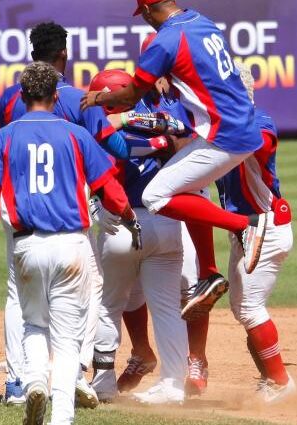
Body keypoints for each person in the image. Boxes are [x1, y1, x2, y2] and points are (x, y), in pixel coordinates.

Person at [0, 61, 139, 425]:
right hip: (71, 244)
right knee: (69, 336)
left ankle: (35, 380)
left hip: (27, 246)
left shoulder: (4, 136)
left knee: (33, 324)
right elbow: (110, 190)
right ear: (56, 96)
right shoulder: (76, 134)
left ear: (22, 96)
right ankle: (61, 417)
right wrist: (127, 215)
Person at [81, 0, 269, 320]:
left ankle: (245, 226)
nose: (144, 21)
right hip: (240, 127)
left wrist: (98, 98)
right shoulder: (200, 21)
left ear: (148, 10)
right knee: (189, 186)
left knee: (155, 195)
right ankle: (208, 272)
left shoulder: (166, 40)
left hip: (223, 135)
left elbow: (129, 96)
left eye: (142, 15)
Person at [0, 21, 120, 407]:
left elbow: (2, 143)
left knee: (18, 294)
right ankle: (76, 370)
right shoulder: (80, 99)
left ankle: (18, 382)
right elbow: (115, 149)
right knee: (89, 286)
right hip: (69, 205)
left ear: (32, 55)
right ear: (64, 53)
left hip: (17, 202)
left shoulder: (11, 99)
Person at [184, 63, 296, 402]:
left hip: (265, 224)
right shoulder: (217, 128)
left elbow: (260, 144)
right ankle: (271, 379)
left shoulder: (257, 121)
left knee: (250, 308)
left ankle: (281, 383)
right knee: (243, 307)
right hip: (245, 228)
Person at [89, 68, 193, 405]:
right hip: (165, 222)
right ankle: (174, 385)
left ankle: (103, 382)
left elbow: (107, 156)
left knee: (109, 305)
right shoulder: (164, 118)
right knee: (166, 308)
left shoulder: (98, 131)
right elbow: (182, 137)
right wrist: (160, 139)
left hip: (121, 224)